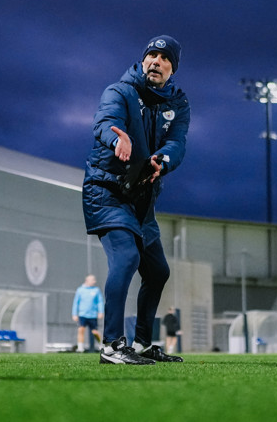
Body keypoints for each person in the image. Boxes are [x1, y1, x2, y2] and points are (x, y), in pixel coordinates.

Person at [82, 35, 189, 365]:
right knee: (126, 257)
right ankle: (112, 345)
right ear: (143, 61)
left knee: (157, 271)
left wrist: (162, 161)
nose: (155, 61)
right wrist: (118, 136)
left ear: (173, 67)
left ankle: (142, 344)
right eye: (151, 55)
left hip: (141, 199)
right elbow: (105, 122)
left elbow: (177, 143)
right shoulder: (120, 91)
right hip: (107, 191)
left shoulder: (178, 104)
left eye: (164, 57)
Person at [72, 274, 104, 352]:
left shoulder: (96, 290)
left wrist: (101, 312)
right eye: (92, 280)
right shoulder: (80, 290)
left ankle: (101, 345)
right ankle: (80, 348)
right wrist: (74, 314)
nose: (94, 281)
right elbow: (76, 302)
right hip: (82, 315)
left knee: (95, 332)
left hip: (92, 315)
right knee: (81, 330)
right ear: (87, 281)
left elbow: (100, 302)